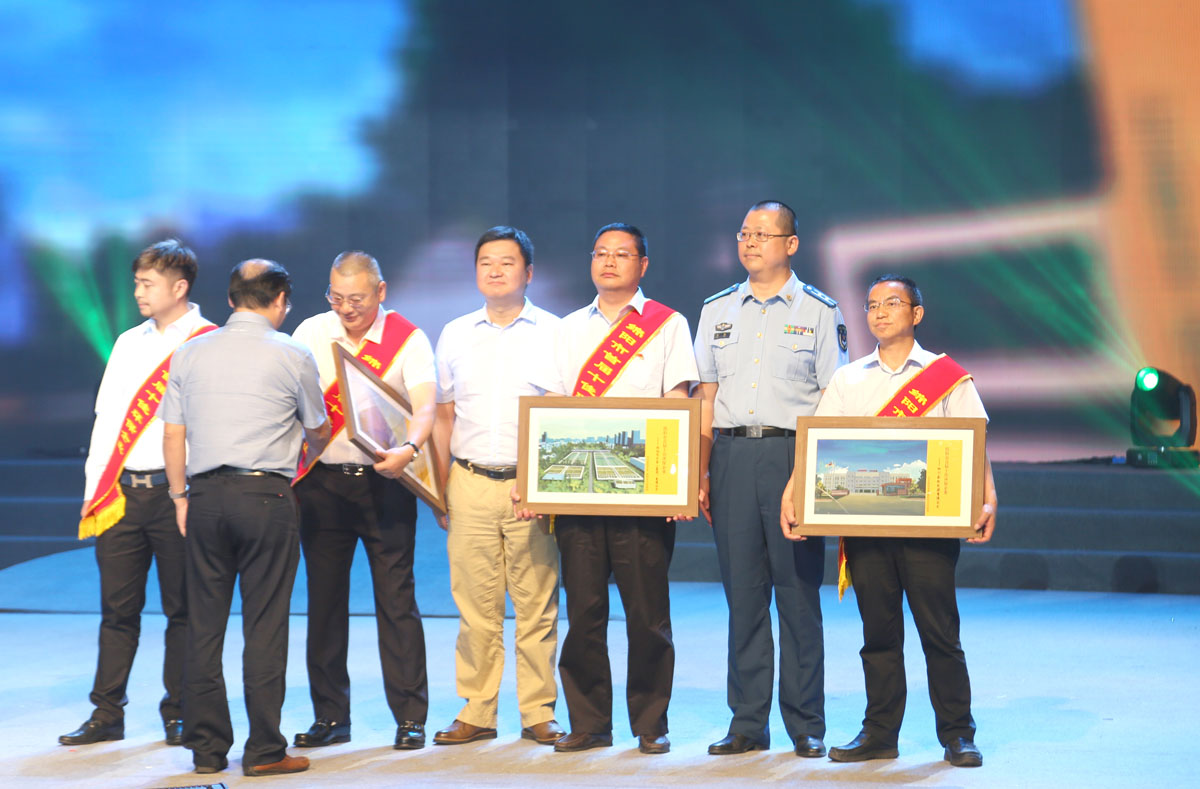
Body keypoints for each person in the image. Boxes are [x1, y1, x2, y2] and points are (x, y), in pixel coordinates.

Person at [781, 274, 997, 768]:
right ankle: (879, 733)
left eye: (891, 303)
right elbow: (818, 443)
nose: (879, 312)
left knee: (939, 633)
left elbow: (975, 442)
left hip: (930, 530)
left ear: (916, 314)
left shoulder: (948, 376)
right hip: (867, 529)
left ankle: (958, 734)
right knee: (878, 635)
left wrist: (989, 496)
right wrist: (794, 491)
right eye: (872, 304)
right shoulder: (848, 378)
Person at [530, 222, 698, 755]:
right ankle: (589, 723)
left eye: (621, 254)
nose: (608, 261)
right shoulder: (565, 330)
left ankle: (651, 722)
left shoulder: (667, 324)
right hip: (577, 499)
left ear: (642, 265)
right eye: (600, 253)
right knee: (584, 613)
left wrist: (678, 486)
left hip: (644, 498)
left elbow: (678, 403)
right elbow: (549, 409)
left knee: (647, 615)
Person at [162, 259, 330, 777]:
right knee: (265, 626)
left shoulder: (189, 352)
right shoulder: (293, 353)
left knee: (203, 626)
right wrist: (307, 448)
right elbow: (318, 428)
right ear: (280, 300)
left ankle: (206, 751)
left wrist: (180, 497)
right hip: (265, 498)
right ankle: (264, 752)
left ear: (232, 299)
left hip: (205, 498)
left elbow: (173, 434)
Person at [694, 200, 848, 757]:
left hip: (792, 457)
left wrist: (806, 476)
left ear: (791, 244)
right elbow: (706, 396)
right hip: (732, 458)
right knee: (743, 596)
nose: (750, 242)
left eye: (762, 234)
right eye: (744, 233)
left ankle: (806, 723)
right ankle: (747, 723)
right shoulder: (716, 309)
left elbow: (833, 401)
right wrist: (700, 468)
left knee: (798, 596)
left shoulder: (821, 310)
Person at [62, 240, 214, 748]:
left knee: (183, 610)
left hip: (178, 497)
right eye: (136, 283)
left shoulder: (208, 341)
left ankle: (179, 711)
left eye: (147, 283)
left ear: (180, 287)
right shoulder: (128, 342)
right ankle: (107, 712)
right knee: (117, 611)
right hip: (122, 494)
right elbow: (107, 420)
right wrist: (94, 489)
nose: (137, 292)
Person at [290, 251, 435, 751]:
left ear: (381, 291)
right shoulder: (311, 332)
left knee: (396, 600)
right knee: (324, 602)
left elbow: (426, 405)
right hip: (322, 484)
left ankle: (410, 717)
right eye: (336, 298)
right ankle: (331, 716)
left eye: (356, 298)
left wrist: (410, 448)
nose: (346, 309)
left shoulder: (408, 339)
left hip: (385, 482)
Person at [429, 226, 564, 746]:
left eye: (507, 262)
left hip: (530, 487)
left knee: (537, 606)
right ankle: (477, 710)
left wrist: (541, 483)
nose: (495, 270)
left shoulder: (554, 332)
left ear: (528, 273)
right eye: (486, 261)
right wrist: (441, 485)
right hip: (469, 482)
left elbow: (561, 416)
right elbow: (444, 415)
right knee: (475, 607)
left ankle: (538, 712)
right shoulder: (455, 333)